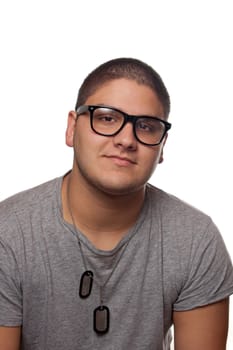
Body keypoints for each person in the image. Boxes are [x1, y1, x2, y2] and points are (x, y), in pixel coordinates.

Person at [0, 57, 233, 350]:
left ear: (162, 146)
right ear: (72, 129)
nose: (126, 139)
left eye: (147, 126)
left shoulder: (195, 240)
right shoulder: (9, 234)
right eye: (107, 118)